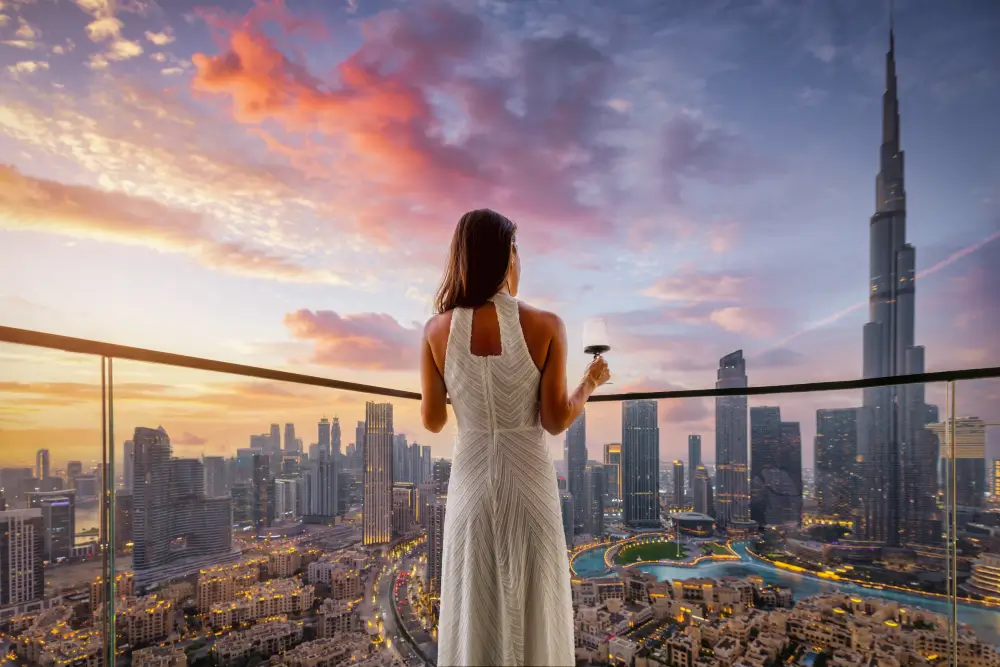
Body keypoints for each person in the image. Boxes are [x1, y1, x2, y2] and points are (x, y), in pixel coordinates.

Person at [420, 209, 611, 666]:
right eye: (517, 250)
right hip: (529, 487)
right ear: (507, 258)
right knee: (537, 609)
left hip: (471, 490)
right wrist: (590, 384)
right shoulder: (547, 325)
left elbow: (432, 421)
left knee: (475, 608)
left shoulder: (435, 331)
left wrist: (463, 387)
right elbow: (554, 419)